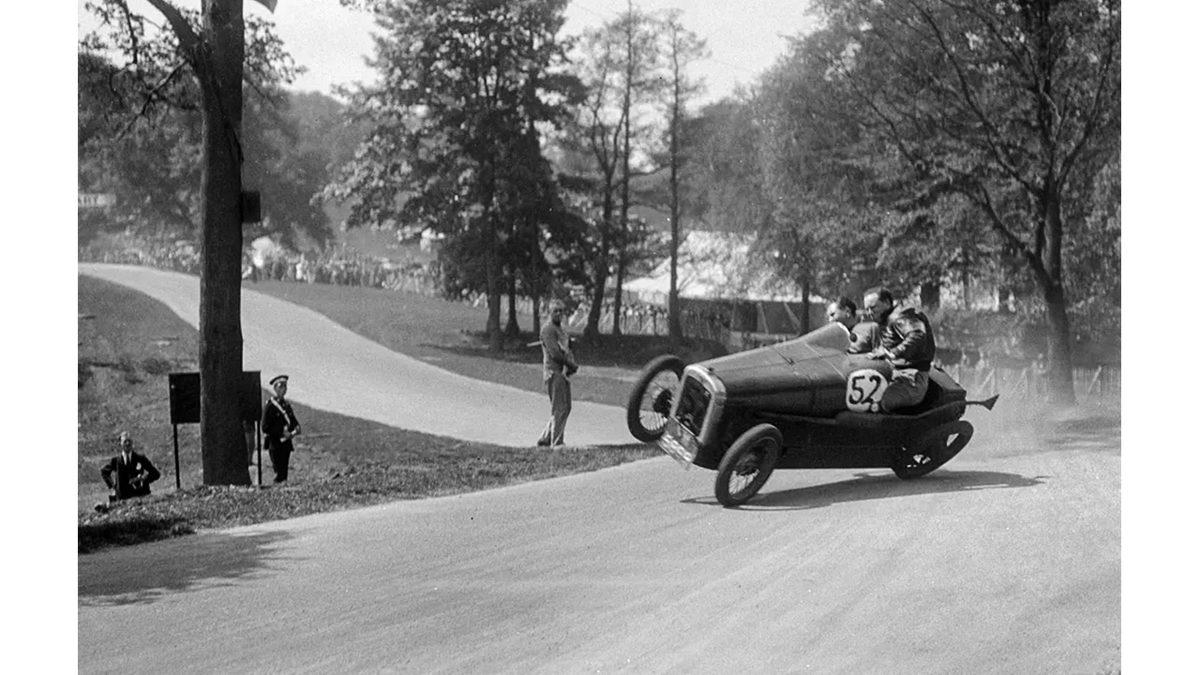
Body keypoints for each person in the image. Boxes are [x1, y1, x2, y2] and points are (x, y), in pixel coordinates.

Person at [862, 287, 937, 412]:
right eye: (867, 309)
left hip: (911, 378)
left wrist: (892, 353)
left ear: (887, 303)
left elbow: (917, 335)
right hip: (893, 374)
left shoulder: (901, 316)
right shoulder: (884, 321)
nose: (869, 312)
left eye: (873, 307)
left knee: (879, 404)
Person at [537, 299, 578, 447]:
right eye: (555, 311)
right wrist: (570, 364)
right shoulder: (548, 329)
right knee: (559, 407)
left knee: (566, 407)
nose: (559, 314)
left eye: (561, 311)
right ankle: (557, 442)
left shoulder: (561, 330)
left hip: (563, 372)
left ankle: (546, 438)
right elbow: (555, 353)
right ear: (550, 312)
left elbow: (567, 349)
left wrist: (571, 364)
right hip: (553, 372)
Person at [262, 374, 302, 483]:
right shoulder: (270, 405)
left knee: (284, 474)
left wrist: (296, 428)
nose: (283, 389)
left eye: (285, 386)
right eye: (280, 386)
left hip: (286, 444)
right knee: (278, 473)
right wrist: (281, 432)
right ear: (275, 388)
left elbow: (293, 421)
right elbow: (265, 427)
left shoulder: (286, 405)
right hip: (275, 444)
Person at [100, 432, 161, 501]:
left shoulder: (140, 458)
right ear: (120, 443)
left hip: (140, 497)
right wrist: (113, 487)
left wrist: (143, 480)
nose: (128, 443)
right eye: (125, 441)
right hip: (122, 499)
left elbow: (156, 474)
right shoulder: (115, 461)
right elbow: (104, 472)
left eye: (129, 441)